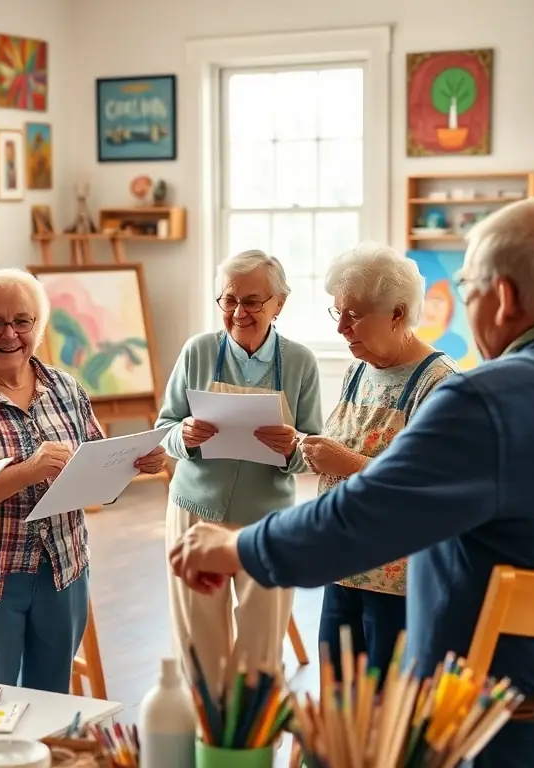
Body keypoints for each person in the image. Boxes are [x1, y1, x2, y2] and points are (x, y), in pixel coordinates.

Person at [168, 197, 534, 767]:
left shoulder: (484, 401)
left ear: (506, 297)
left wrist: (235, 545)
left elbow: (366, 514)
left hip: (473, 718)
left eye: (468, 286)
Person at [0, 267, 167, 693]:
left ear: (38, 325)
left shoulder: (66, 388)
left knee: (51, 699)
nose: (10, 334)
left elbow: (96, 465)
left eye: (22, 321)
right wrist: (27, 472)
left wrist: (135, 463)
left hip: (63, 569)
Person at [155, 250, 322, 691]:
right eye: (229, 300)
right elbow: (164, 427)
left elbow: (313, 448)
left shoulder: (301, 362)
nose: (239, 312)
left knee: (261, 652)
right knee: (199, 651)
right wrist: (183, 436)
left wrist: (295, 446)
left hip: (268, 521)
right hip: (195, 511)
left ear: (278, 304)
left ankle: (251, 748)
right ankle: (204, 746)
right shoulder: (198, 351)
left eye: (253, 301)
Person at [304, 243, 458, 680]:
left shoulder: (440, 384)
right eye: (338, 314)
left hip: (399, 584)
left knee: (388, 711)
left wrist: (346, 462)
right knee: (336, 701)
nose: (342, 329)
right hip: (343, 565)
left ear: (397, 313)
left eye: (354, 315)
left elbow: (431, 491)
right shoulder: (358, 370)